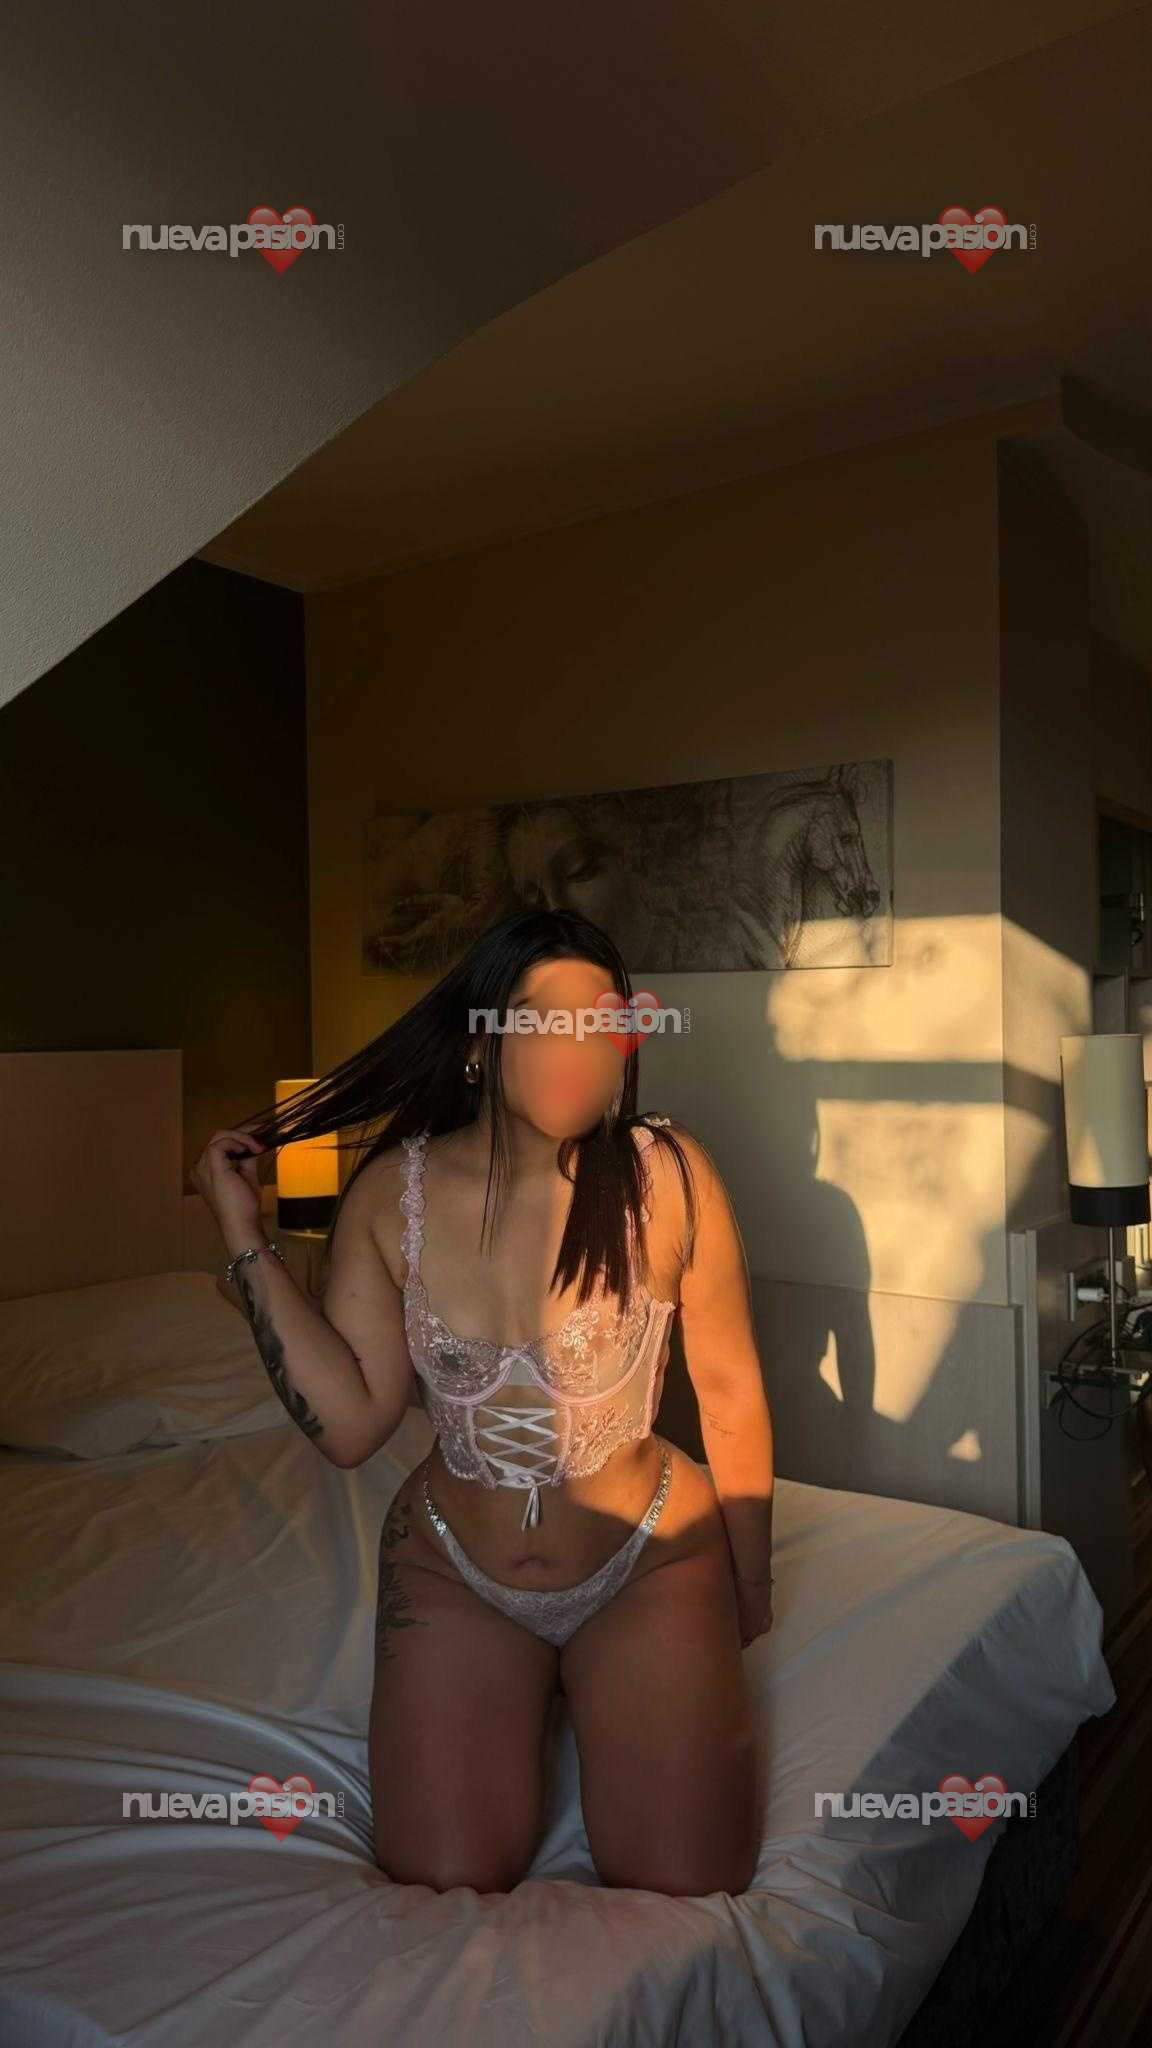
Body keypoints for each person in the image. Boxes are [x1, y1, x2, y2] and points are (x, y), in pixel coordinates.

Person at [191, 908, 775, 1896]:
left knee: (684, 1881)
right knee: (443, 1876)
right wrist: (242, 1233)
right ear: (477, 1043)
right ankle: (531, 1685)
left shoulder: (670, 1177)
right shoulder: (392, 1196)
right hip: (456, 1568)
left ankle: (588, 1678)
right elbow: (352, 1425)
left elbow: (729, 1391)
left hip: (647, 1558)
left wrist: (748, 1590)